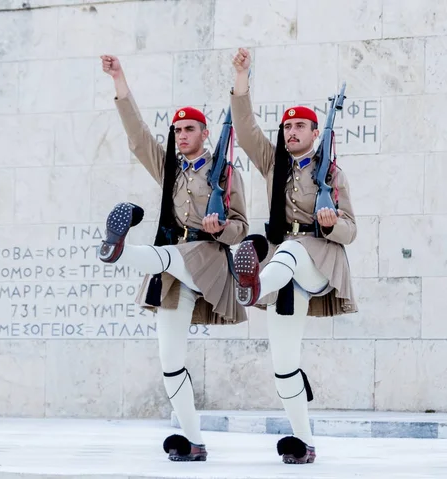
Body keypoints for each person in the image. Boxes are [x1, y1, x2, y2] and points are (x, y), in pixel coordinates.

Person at [98, 54, 257, 462]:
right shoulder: (169, 168)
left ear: (204, 133)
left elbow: (242, 226)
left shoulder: (224, 173)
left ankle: (120, 250)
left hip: (205, 258)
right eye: (177, 130)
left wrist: (222, 228)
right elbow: (137, 139)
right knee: (170, 361)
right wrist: (120, 79)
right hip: (172, 268)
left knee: (166, 257)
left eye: (189, 129)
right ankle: (194, 440)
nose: (182, 135)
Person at [229, 47, 358, 464]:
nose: (291, 132)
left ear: (315, 132)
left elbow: (351, 230)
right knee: (283, 363)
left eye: (300, 126)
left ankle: (249, 287)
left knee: (287, 250)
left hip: (319, 261)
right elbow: (245, 130)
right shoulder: (274, 165)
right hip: (284, 271)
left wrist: (330, 220)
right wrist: (241, 76)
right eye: (287, 127)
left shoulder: (331, 173)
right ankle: (304, 443)